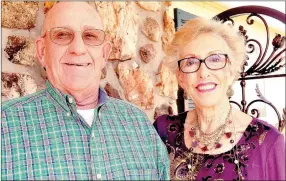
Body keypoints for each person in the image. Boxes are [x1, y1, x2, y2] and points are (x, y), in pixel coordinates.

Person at [1, 2, 169, 180]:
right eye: (62, 35)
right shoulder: (4, 126)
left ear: (104, 54)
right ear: (42, 51)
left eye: (90, 36)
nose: (78, 49)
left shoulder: (139, 125)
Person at [154, 17, 285, 180]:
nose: (203, 72)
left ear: (231, 71)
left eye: (215, 59)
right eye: (191, 62)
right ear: (180, 77)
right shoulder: (162, 131)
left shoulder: (267, 142)